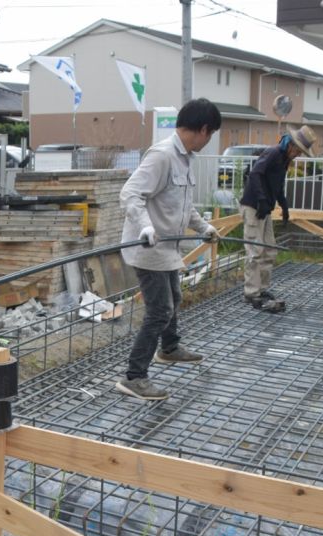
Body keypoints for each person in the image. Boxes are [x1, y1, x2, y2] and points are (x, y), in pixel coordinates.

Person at [116, 98, 222, 401]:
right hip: (148, 247)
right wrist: (145, 226)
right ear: (202, 129)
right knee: (160, 309)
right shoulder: (162, 156)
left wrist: (204, 228)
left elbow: (182, 207)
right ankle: (134, 376)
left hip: (167, 249)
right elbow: (131, 193)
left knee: (173, 298)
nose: (209, 139)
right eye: (211, 133)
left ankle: (170, 348)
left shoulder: (186, 158)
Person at [239, 126, 318, 308]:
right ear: (290, 144)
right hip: (253, 206)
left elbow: (278, 184)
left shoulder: (284, 159)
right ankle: (251, 293)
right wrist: (260, 199)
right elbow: (255, 174)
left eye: (301, 152)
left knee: (269, 249)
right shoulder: (274, 153)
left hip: (265, 208)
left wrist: (283, 204)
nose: (298, 154)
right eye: (298, 150)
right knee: (255, 250)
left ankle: (262, 288)